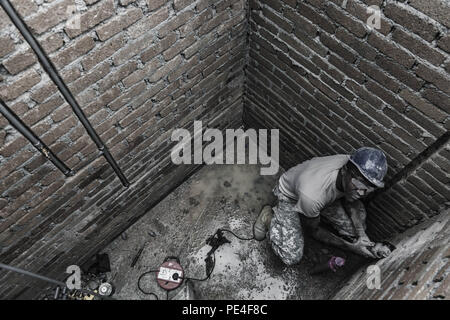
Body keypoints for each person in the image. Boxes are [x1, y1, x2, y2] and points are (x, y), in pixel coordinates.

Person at [253, 147, 392, 266]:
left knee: (356, 223)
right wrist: (351, 247)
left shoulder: (354, 168)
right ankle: (269, 217)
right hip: (291, 196)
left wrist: (362, 234)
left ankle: (355, 236)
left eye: (368, 188)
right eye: (359, 186)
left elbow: (354, 201)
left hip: (323, 194)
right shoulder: (312, 196)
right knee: (291, 256)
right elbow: (314, 230)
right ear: (344, 172)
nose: (362, 193)